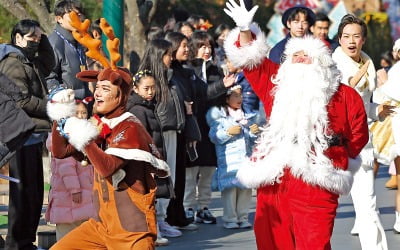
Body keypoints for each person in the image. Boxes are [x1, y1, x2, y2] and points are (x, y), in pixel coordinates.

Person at [223, 0, 369, 249]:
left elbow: (358, 137)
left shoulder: (345, 96)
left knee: (314, 242)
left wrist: (333, 157)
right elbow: (251, 61)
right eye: (295, 56)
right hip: (276, 177)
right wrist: (245, 29)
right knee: (271, 240)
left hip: (318, 178)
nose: (300, 60)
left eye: (307, 56)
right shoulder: (277, 86)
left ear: (322, 63)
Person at [47, 14, 169, 249]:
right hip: (102, 227)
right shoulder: (97, 123)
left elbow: (107, 167)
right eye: (97, 88)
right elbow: (61, 152)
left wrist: (82, 136)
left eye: (105, 88)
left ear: (121, 95)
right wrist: (60, 115)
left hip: (132, 232)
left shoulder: (129, 125)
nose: (98, 93)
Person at [332, 14, 390, 250]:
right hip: (331, 145)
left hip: (359, 144)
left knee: (368, 205)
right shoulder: (330, 66)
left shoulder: (367, 62)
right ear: (339, 40)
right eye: (346, 37)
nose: (351, 41)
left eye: (356, 36)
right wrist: (349, 85)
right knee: (320, 210)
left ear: (363, 40)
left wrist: (378, 111)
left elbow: (363, 107)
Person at [0, 19, 54, 250]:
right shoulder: (12, 62)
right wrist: (50, 107)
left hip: (31, 133)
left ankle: (25, 241)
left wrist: (44, 40)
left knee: (33, 192)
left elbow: (49, 63)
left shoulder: (28, 60)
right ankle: (16, 242)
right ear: (17, 38)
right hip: (18, 134)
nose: (36, 41)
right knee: (21, 194)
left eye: (38, 37)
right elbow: (20, 99)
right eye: (31, 37)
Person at [126, 69, 170, 246]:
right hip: (146, 162)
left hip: (153, 159)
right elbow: (141, 140)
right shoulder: (138, 110)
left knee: (152, 199)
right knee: (147, 200)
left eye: (153, 88)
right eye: (146, 88)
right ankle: (150, 234)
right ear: (136, 89)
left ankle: (154, 232)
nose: (150, 92)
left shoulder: (148, 107)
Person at [206, 85, 259, 229]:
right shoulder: (220, 119)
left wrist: (255, 132)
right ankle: (230, 219)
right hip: (228, 162)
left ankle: (243, 217)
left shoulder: (247, 117)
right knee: (230, 191)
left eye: (240, 95)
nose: (239, 98)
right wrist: (228, 132)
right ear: (227, 99)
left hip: (245, 161)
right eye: (235, 96)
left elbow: (253, 140)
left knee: (245, 190)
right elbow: (214, 137)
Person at [45, 98, 95, 241]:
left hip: (83, 196)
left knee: (82, 233)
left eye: (84, 113)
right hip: (69, 195)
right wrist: (74, 189)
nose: (81, 116)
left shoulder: (84, 137)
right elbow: (66, 168)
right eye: (76, 113)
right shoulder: (64, 139)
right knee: (67, 235)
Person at [46, 0, 92, 100]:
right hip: (66, 105)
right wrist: (63, 97)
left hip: (83, 102)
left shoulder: (77, 41)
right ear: (59, 19)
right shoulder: (53, 43)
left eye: (79, 15)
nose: (77, 18)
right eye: (72, 15)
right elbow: (49, 78)